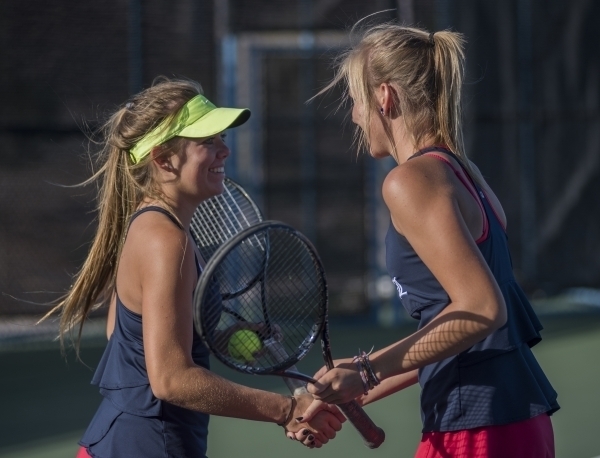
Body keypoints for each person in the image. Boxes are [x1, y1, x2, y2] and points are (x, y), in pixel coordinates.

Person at [44, 77, 344, 458]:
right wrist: (287, 410)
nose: (225, 151)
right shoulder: (165, 241)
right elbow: (170, 381)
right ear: (162, 159)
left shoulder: (152, 226)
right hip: (146, 445)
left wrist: (218, 336)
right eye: (207, 142)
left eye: (220, 139)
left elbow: (122, 333)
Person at [302, 24, 560, 458]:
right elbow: (463, 330)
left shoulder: (410, 181)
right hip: (510, 419)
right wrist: (361, 376)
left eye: (356, 101)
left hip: (475, 426)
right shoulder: (464, 171)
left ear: (384, 97)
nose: (354, 116)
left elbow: (483, 310)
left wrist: (367, 371)